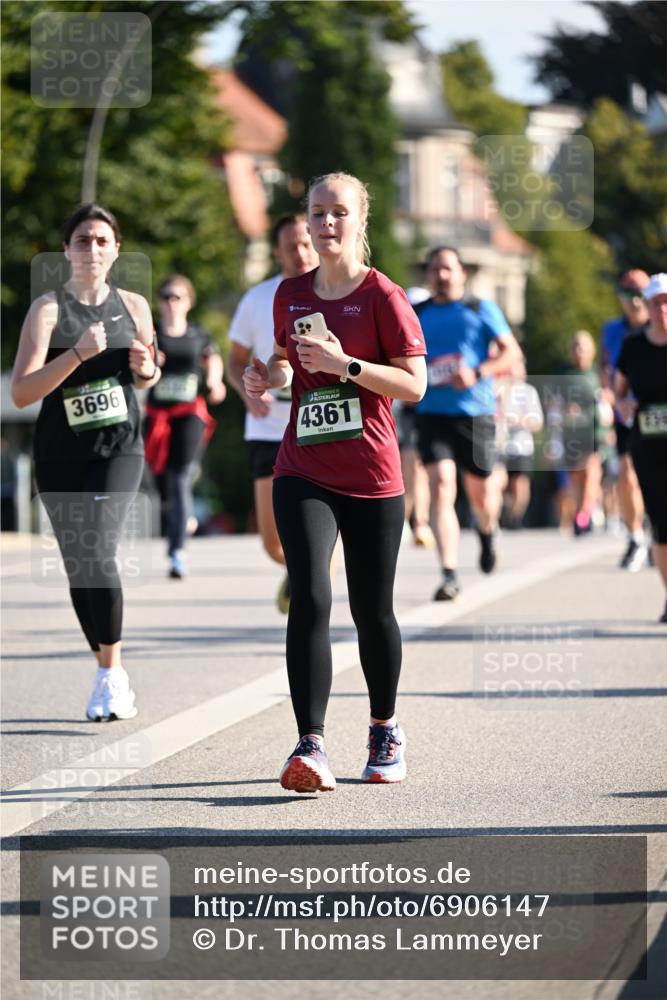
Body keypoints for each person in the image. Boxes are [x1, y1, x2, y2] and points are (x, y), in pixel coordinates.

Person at [243, 171, 427, 792]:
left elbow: (414, 384)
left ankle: (384, 728)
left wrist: (348, 366)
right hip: (304, 467)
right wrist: (264, 377)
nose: (326, 224)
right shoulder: (290, 294)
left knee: (372, 610)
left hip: (373, 474)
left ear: (360, 221)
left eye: (338, 213)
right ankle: (311, 744)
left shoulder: (384, 297)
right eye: (317, 213)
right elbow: (281, 362)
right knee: (311, 597)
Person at [11, 203, 160, 720]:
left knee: (98, 549)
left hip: (119, 448)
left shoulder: (136, 305)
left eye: (101, 240)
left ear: (116, 249)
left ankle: (112, 673)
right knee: (80, 566)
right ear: (66, 251)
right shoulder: (48, 311)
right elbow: (23, 392)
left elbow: (147, 373)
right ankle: (103, 665)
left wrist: (147, 369)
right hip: (60, 455)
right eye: (82, 240)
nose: (92, 249)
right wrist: (74, 354)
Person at [414, 246, 522, 600]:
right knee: (442, 485)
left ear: (462, 273)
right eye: (434, 269)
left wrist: (477, 372)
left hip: (474, 414)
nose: (441, 275)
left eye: (447, 268)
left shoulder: (481, 309)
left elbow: (511, 352)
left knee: (482, 495)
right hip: (431, 413)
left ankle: (488, 531)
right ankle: (448, 573)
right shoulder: (418, 313)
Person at [227, 214, 318, 611]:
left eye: (304, 243)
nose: (299, 252)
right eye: (290, 246)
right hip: (267, 428)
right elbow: (235, 361)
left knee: (318, 532)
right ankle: (301, 570)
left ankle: (315, 608)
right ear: (277, 252)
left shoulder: (335, 293)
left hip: (315, 425)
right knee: (271, 541)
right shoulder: (259, 298)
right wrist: (247, 395)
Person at [144, 275, 225, 579]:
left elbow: (212, 359)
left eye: (177, 297)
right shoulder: (150, 333)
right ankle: (182, 514)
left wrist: (215, 382)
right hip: (156, 415)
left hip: (189, 412)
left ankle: (176, 552)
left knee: (179, 475)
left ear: (189, 302)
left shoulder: (198, 333)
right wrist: (148, 361)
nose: (171, 302)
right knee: (160, 481)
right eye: (165, 296)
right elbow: (135, 362)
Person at [615, 273, 667, 623]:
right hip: (648, 447)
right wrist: (623, 405)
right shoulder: (633, 346)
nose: (662, 309)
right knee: (662, 525)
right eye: (656, 303)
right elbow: (617, 392)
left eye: (666, 303)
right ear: (646, 307)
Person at [601, 269, 650, 570]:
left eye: (639, 293)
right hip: (626, 412)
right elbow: (605, 366)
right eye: (628, 294)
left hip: (657, 410)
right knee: (627, 473)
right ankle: (635, 536)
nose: (634, 301)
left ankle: (656, 527)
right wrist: (609, 395)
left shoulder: (660, 325)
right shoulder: (612, 330)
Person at [560, 331, 614, 536]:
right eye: (575, 347)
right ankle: (581, 511)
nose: (579, 351)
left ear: (591, 350)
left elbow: (610, 399)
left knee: (592, 473)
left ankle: (583, 515)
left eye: (583, 347)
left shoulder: (598, 374)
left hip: (595, 433)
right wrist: (566, 409)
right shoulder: (564, 375)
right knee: (577, 478)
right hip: (572, 435)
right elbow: (553, 403)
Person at [495, 354, 544, 530]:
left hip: (521, 446)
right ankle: (498, 515)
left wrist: (523, 422)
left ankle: (515, 518)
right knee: (500, 482)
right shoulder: (499, 390)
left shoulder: (529, 392)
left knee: (520, 484)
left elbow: (538, 421)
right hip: (500, 444)